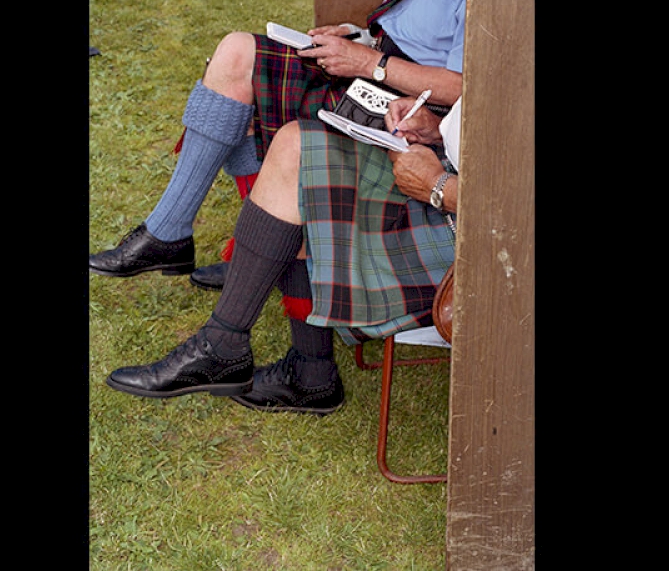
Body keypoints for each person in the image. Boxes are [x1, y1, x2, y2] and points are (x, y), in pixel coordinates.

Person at [89, 0, 472, 294]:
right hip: (375, 63)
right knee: (237, 54)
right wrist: (358, 37)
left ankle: (262, 255)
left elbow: (465, 85)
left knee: (256, 106)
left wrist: (369, 62)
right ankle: (170, 230)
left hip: (407, 106)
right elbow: (418, 28)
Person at [105, 95, 461, 415]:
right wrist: (440, 127)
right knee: (297, 145)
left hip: (470, 237)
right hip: (445, 169)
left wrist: (439, 187)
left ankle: (243, 349)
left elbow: (513, 210)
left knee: (303, 167)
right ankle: (305, 370)